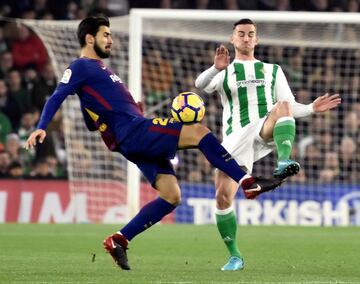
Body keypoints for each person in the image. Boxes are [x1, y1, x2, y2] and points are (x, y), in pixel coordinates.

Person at [24, 16, 282, 270]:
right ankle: (247, 182)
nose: (111, 40)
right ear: (90, 38)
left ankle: (119, 240)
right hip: (134, 132)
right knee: (199, 132)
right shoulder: (81, 67)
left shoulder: (101, 70)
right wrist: (41, 127)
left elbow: (93, 123)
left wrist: (131, 110)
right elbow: (56, 96)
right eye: (106, 35)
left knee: (171, 196)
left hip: (131, 135)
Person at [195, 18, 341, 271]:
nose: (246, 38)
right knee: (222, 197)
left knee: (282, 106)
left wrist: (310, 109)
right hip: (235, 138)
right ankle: (235, 256)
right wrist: (216, 68)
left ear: (257, 39)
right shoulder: (225, 71)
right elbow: (201, 86)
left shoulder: (272, 70)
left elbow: (288, 106)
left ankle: (283, 160)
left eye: (251, 34)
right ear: (233, 39)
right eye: (241, 34)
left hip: (264, 127)